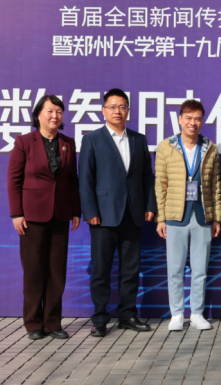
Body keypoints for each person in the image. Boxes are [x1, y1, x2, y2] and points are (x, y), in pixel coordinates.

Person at [79, 89, 156, 337]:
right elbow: (85, 179)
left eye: (122, 107)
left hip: (133, 214)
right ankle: (100, 318)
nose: (117, 111)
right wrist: (90, 210)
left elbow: (147, 176)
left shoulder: (138, 139)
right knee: (101, 270)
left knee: (131, 270)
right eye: (112, 106)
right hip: (102, 216)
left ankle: (128, 315)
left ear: (128, 111)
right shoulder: (92, 139)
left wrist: (149, 206)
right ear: (103, 110)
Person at [7, 95, 80, 341]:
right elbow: (13, 180)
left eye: (59, 111)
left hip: (60, 214)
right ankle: (33, 323)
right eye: (50, 111)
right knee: (34, 271)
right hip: (32, 217)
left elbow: (72, 180)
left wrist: (76, 211)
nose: (54, 116)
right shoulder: (24, 142)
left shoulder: (67, 143)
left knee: (56, 272)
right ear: (38, 114)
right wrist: (17, 213)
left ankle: (53, 323)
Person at [154, 99, 221, 332]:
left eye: (197, 119)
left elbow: (215, 185)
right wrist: (161, 218)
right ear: (180, 119)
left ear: (202, 121)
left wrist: (216, 217)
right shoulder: (166, 147)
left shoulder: (210, 148)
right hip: (176, 216)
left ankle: (196, 313)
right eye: (188, 118)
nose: (193, 123)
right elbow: (160, 184)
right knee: (174, 269)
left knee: (200, 270)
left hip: (202, 216)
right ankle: (176, 314)